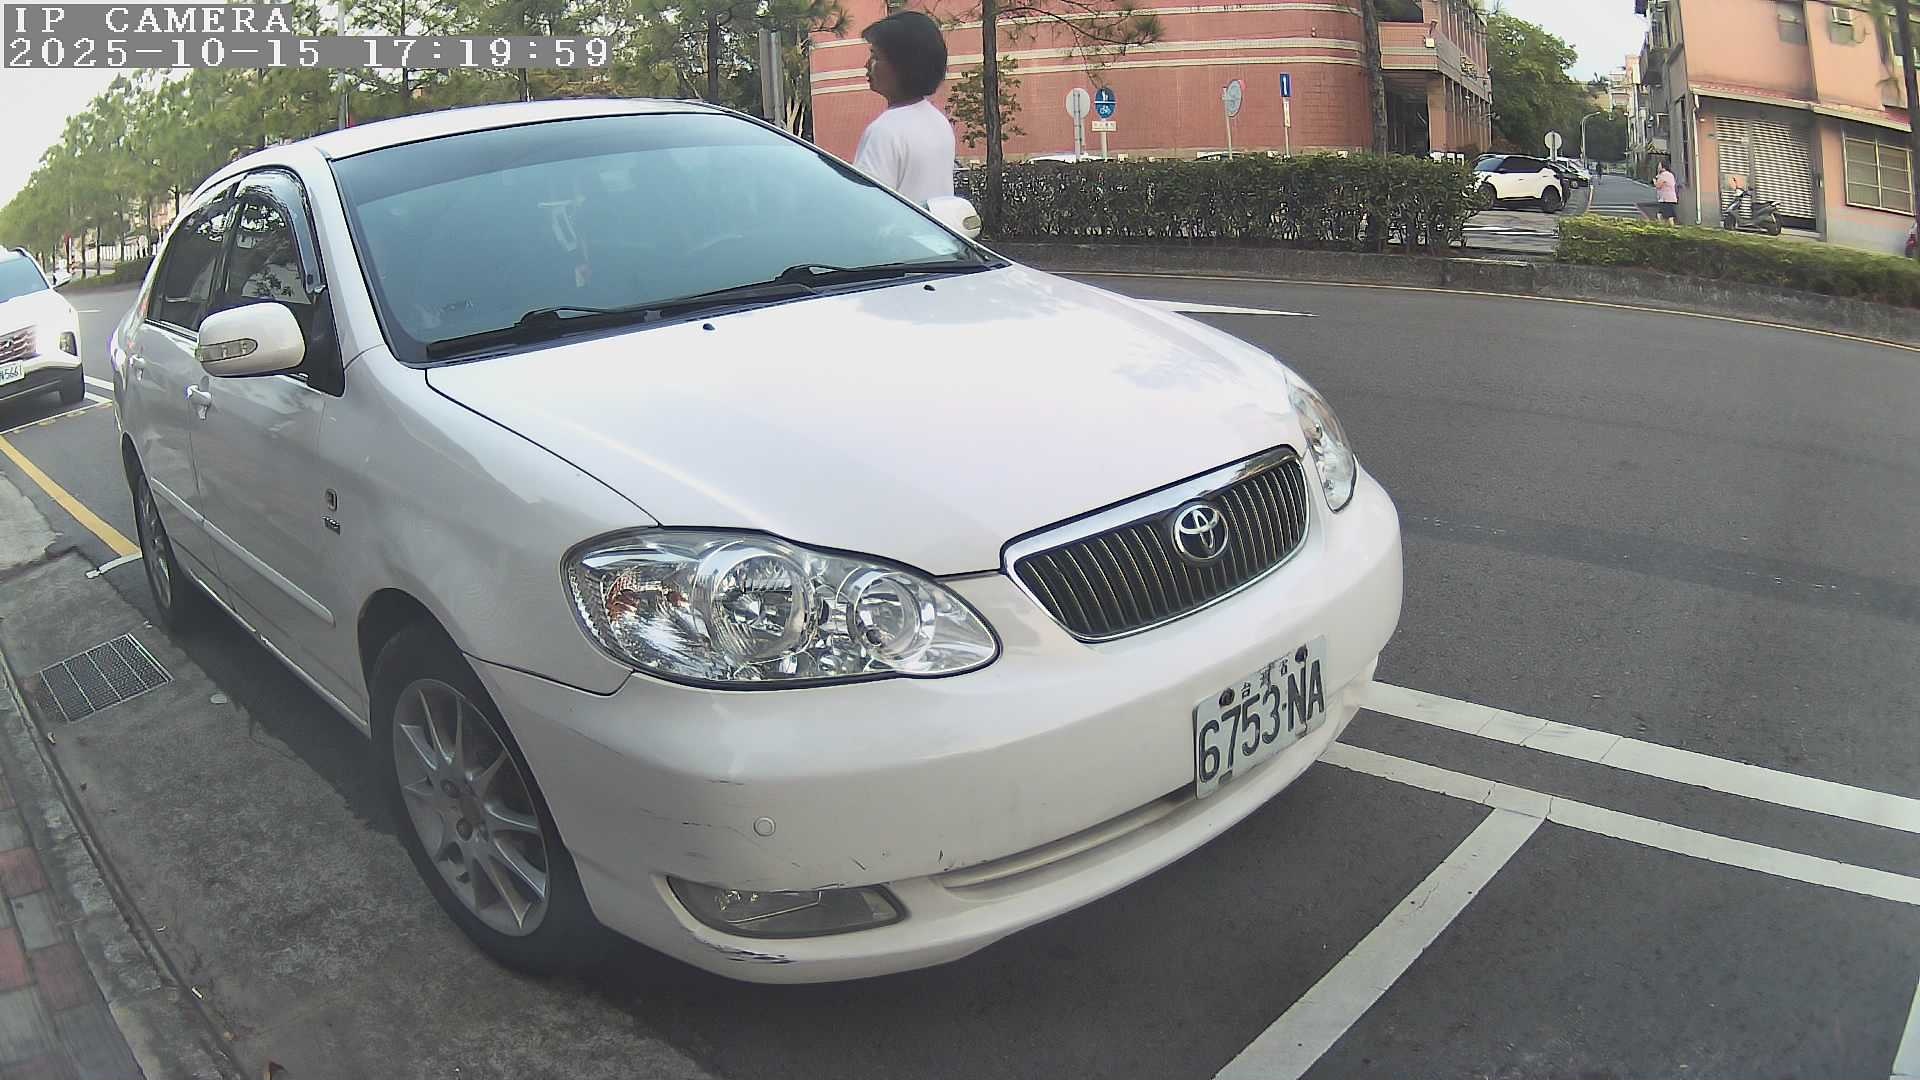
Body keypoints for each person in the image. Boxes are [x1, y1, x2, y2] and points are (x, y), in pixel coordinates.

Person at [854, 10, 955, 205]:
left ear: (901, 66)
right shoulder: (938, 122)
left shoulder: (884, 131)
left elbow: (865, 207)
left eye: (876, 56)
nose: (867, 65)